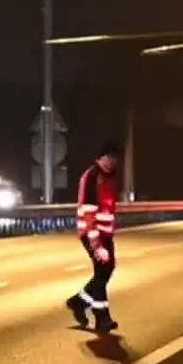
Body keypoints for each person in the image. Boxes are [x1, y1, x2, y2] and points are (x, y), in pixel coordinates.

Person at [65, 142, 120, 333]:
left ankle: (78, 302)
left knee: (107, 270)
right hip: (91, 233)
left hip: (105, 233)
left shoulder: (110, 177)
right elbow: (88, 211)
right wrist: (96, 244)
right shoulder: (91, 177)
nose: (111, 162)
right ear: (99, 158)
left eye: (114, 159)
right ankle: (102, 317)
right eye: (108, 158)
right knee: (102, 270)